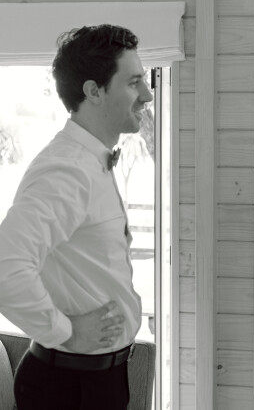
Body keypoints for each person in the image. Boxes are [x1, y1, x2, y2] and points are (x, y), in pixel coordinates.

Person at [0, 24, 152, 409]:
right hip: (68, 388)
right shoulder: (66, 169)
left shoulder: (91, 160)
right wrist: (66, 332)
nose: (148, 95)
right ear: (94, 91)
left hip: (97, 381)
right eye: (134, 82)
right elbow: (5, 267)